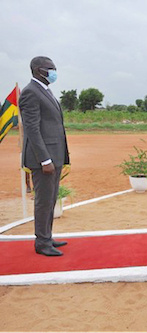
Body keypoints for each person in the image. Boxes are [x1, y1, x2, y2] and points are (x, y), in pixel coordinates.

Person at [19, 56, 70, 256]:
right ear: (38, 70)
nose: (54, 71)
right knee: (43, 200)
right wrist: (45, 159)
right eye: (50, 68)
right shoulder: (31, 92)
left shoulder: (45, 91)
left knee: (50, 199)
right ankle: (41, 243)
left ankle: (47, 237)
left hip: (54, 156)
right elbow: (31, 128)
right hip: (44, 159)